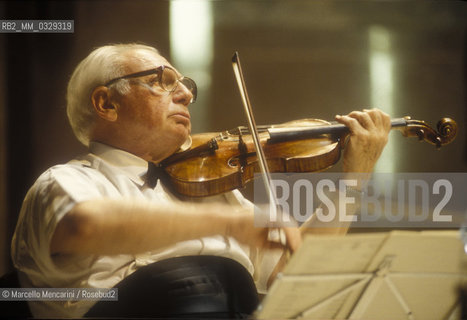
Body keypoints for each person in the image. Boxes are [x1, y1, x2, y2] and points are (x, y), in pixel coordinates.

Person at [11, 43, 391, 319]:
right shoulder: (67, 181)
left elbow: (295, 276)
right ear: (106, 103)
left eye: (186, 83)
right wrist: (230, 225)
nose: (187, 94)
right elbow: (85, 226)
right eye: (163, 81)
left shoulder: (213, 193)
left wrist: (354, 179)